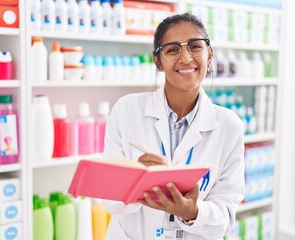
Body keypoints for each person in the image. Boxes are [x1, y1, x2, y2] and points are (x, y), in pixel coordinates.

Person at [102, 13, 245, 240]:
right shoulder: (126, 110)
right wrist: (136, 182)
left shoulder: (229, 126)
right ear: (158, 61)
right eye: (172, 49)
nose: (186, 58)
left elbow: (225, 216)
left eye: (195, 46)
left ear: (209, 55)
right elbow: (107, 197)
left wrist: (192, 212)